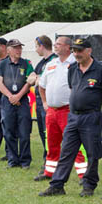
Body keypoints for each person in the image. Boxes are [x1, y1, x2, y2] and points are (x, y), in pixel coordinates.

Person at [39, 37, 102, 197]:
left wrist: (93, 105)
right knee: (66, 150)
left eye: (80, 50)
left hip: (91, 117)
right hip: (73, 117)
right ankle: (57, 185)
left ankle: (88, 185)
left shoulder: (101, 69)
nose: (77, 54)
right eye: (74, 50)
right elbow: (73, 89)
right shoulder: (72, 68)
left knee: (92, 153)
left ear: (89, 51)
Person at [35, 36, 87, 182]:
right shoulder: (51, 64)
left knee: (74, 143)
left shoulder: (76, 63)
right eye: (55, 44)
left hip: (68, 110)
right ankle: (49, 172)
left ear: (67, 47)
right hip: (51, 111)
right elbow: (42, 85)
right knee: (51, 143)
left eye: (58, 44)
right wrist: (45, 102)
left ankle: (83, 174)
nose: (55, 46)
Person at [0, 39, 34, 169]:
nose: (19, 50)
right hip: (7, 101)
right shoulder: (2, 64)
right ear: (9, 50)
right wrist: (10, 96)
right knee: (9, 132)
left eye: (20, 48)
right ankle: (12, 160)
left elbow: (29, 82)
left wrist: (18, 96)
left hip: (22, 101)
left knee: (24, 132)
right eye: (15, 48)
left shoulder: (26, 63)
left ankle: (25, 161)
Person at [32, 35, 57, 178]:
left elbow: (43, 80)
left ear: (42, 46)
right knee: (43, 133)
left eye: (36, 46)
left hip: (48, 103)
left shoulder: (54, 61)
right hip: (39, 101)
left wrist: (36, 79)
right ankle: (48, 160)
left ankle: (49, 162)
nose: (35, 50)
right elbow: (32, 77)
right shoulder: (41, 63)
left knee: (49, 134)